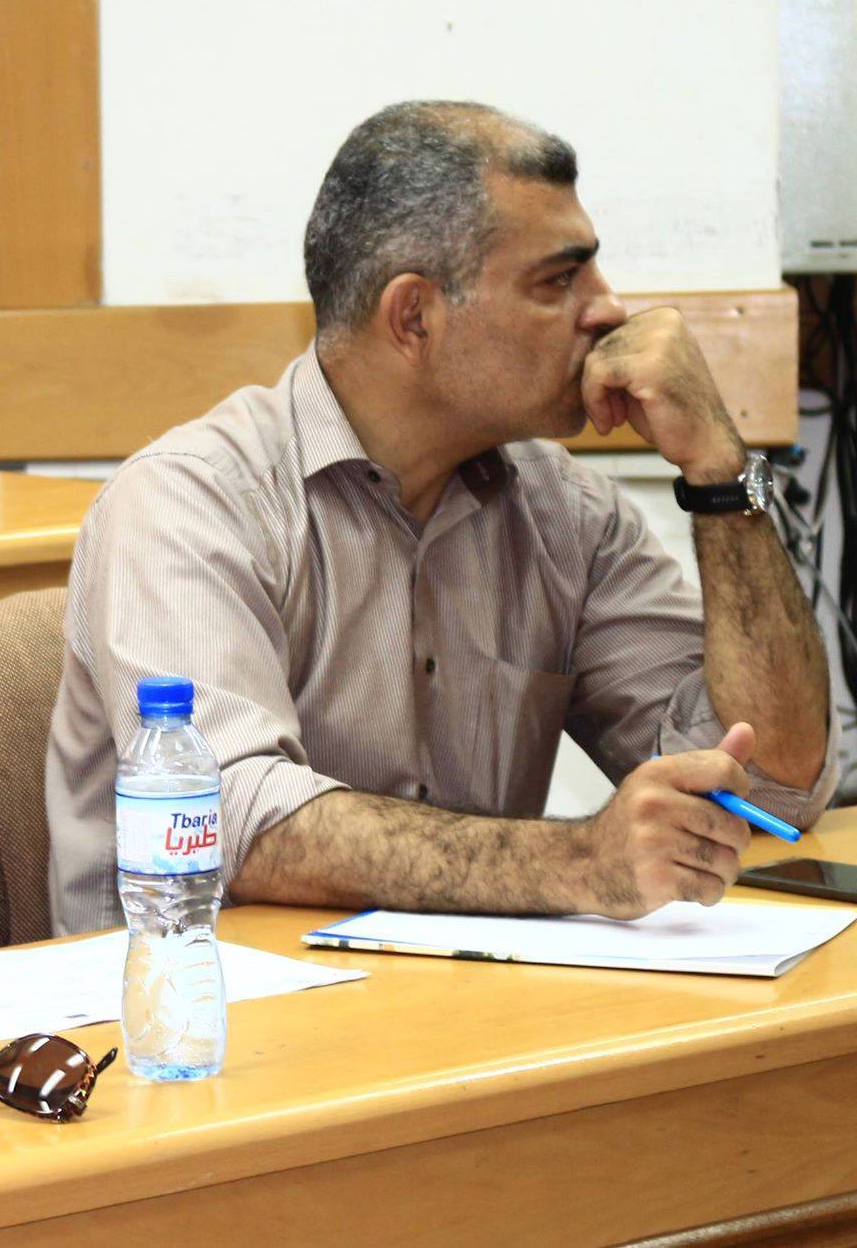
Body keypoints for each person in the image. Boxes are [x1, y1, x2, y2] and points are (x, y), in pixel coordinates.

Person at [48, 101, 835, 934]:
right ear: (414, 316)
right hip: (196, 999)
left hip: (455, 994)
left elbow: (770, 785)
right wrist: (578, 862)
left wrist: (718, 474)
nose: (610, 310)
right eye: (558, 281)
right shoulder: (189, 501)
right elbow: (230, 822)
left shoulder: (568, 512)